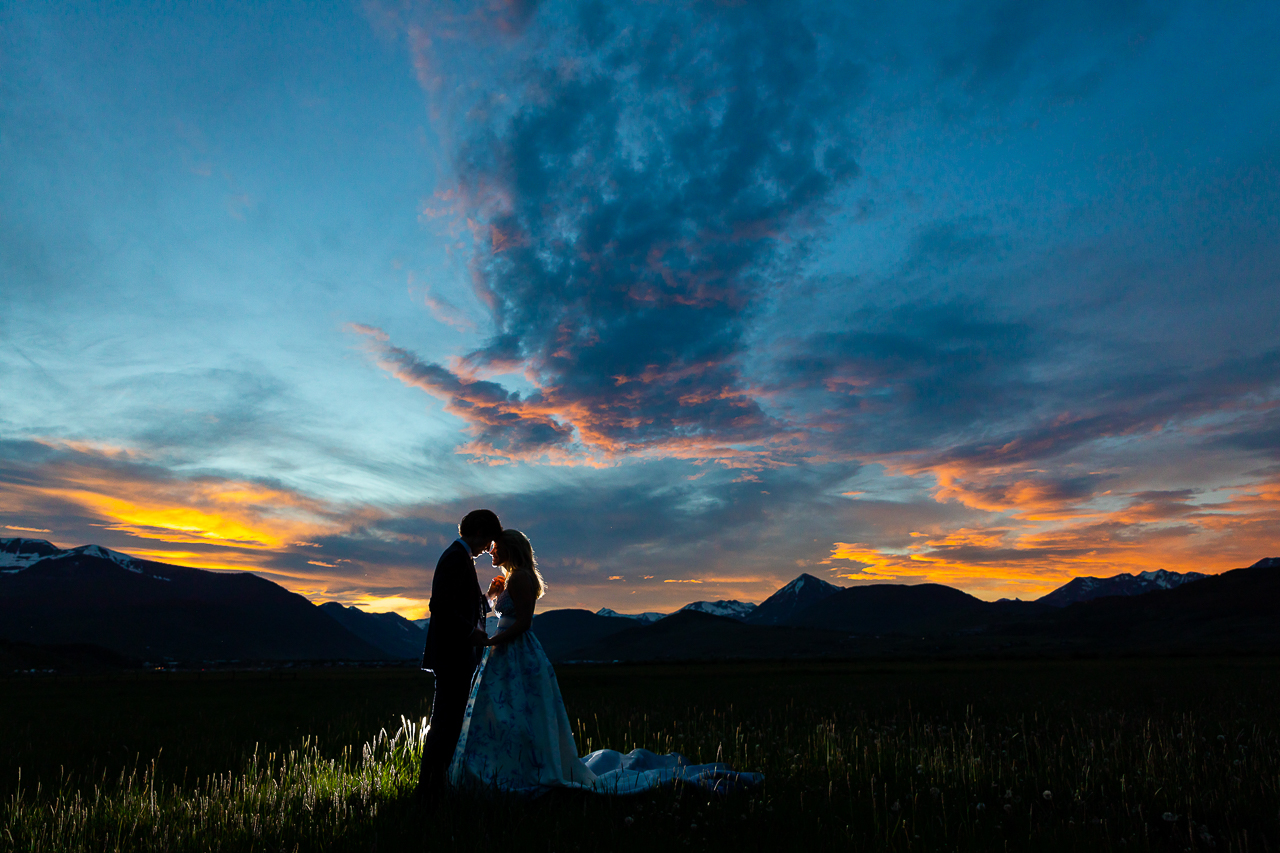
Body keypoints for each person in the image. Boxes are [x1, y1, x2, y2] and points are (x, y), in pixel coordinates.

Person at [448, 529, 763, 796]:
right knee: (507, 716)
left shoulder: (521, 580)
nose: (491, 551)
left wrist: (490, 641)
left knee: (520, 714)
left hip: (515, 652)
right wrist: (491, 596)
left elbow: (523, 623)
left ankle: (520, 773)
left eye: (496, 548)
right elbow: (504, 614)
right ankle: (507, 770)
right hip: (504, 654)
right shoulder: (510, 579)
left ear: (510, 549)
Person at [417, 508, 503, 805]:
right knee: (445, 723)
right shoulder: (455, 557)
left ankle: (435, 787)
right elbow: (440, 606)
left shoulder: (460, 557)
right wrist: (470, 634)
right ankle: (429, 791)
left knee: (449, 722)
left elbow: (461, 604)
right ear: (479, 531)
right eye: (489, 540)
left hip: (456, 656)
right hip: (453, 656)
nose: (489, 547)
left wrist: (489, 598)